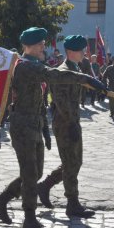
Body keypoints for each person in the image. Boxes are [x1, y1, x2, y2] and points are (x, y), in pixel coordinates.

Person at [0, 27, 107, 228]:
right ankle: (30, 219)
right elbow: (53, 75)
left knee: (36, 173)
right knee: (30, 173)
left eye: (43, 42)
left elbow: (38, 101)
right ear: (28, 46)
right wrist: (86, 79)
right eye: (40, 43)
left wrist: (43, 126)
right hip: (22, 125)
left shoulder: (34, 64)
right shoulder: (25, 67)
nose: (44, 46)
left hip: (33, 123)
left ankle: (1, 200)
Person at [34, 35, 98, 218]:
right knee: (71, 163)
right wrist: (71, 125)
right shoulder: (63, 73)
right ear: (70, 52)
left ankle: (45, 186)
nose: (85, 54)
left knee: (74, 161)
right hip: (65, 122)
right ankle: (72, 203)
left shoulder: (75, 69)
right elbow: (61, 102)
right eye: (82, 51)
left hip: (72, 121)